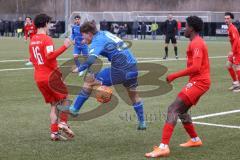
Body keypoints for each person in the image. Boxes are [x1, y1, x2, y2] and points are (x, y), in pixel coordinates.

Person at [145, 16, 211, 158]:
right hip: (199, 81)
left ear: (192, 28)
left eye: (186, 26)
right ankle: (195, 140)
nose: (183, 29)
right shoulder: (195, 42)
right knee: (182, 111)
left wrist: (174, 75)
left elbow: (196, 67)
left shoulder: (197, 43)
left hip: (200, 82)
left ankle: (163, 147)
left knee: (173, 108)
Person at [62, 21, 147, 130]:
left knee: (89, 80)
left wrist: (79, 68)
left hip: (120, 69)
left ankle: (74, 109)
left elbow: (91, 59)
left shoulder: (97, 40)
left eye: (84, 36)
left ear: (89, 33)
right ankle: (142, 123)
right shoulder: (104, 33)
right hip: (133, 67)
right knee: (133, 95)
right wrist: (85, 41)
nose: (84, 39)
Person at [29, 13, 74, 141]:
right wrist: (65, 46)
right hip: (50, 77)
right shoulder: (47, 39)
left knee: (54, 104)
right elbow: (49, 56)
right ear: (45, 24)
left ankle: (54, 133)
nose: (50, 25)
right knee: (65, 98)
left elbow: (32, 59)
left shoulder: (33, 40)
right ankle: (63, 123)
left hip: (39, 78)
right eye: (49, 23)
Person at [224, 12, 240, 92]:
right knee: (228, 65)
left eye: (228, 18)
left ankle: (239, 86)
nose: (226, 20)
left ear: (231, 19)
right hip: (234, 50)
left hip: (237, 50)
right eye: (225, 18)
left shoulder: (232, 28)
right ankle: (235, 83)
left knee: (237, 67)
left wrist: (232, 51)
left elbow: (237, 40)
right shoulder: (229, 27)